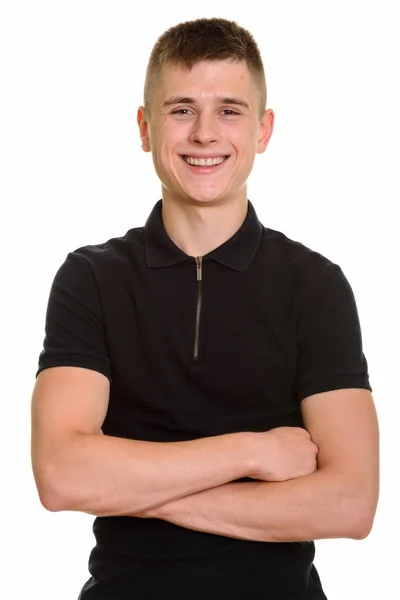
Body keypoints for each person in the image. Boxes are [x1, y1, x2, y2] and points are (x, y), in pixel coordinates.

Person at [31, 17, 379, 600]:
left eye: (230, 110)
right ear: (145, 127)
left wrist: (135, 490)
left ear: (263, 130)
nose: (204, 133)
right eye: (182, 109)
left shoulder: (316, 285)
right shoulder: (89, 278)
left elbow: (350, 503)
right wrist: (254, 451)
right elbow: (63, 476)